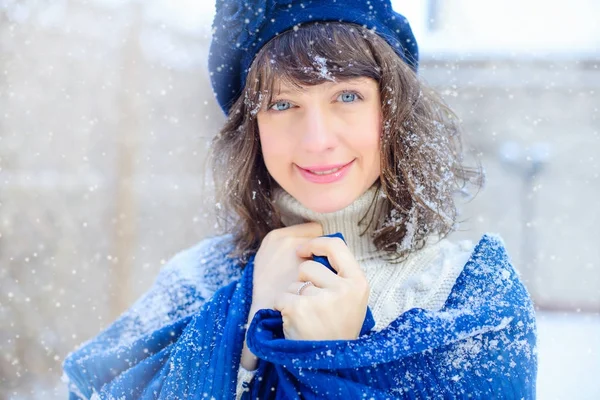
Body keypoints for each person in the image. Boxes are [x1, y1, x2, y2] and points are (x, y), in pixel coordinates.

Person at [62, 1, 538, 398]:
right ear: (252, 130)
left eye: (347, 97)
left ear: (392, 109)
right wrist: (244, 337)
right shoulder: (195, 281)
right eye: (283, 104)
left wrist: (329, 358)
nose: (317, 140)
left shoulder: (470, 292)